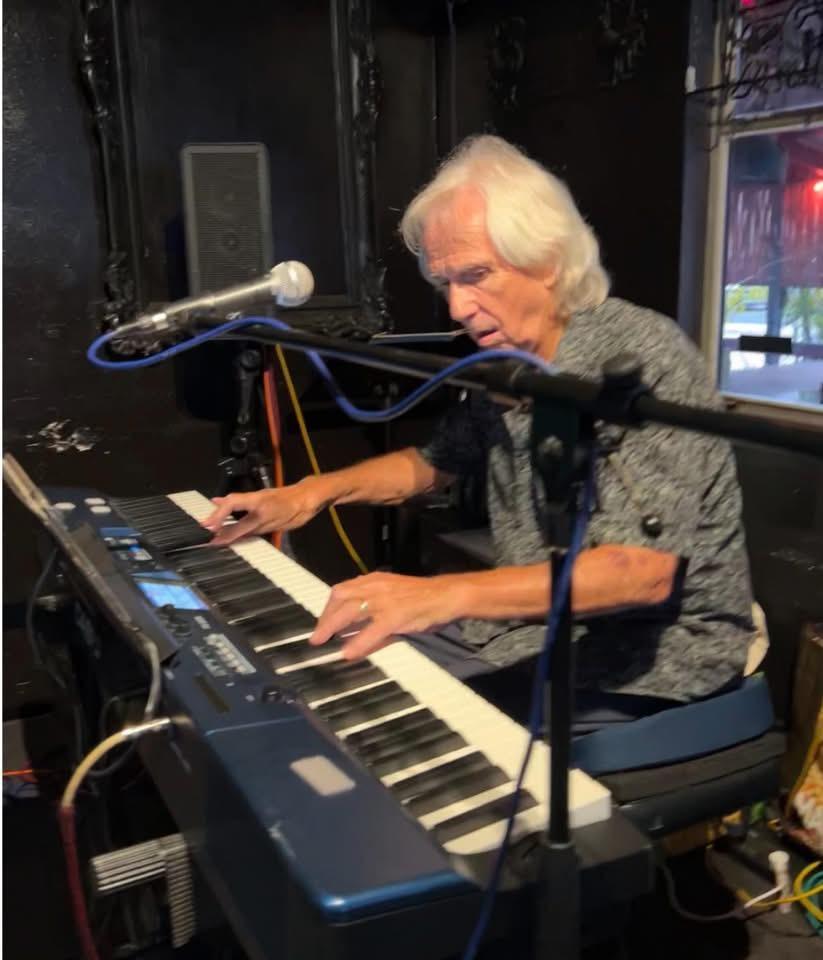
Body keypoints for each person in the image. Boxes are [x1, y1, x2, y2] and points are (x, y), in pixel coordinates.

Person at [202, 135, 755, 718]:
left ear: (548, 261)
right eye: (446, 284)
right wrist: (307, 494)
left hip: (657, 659)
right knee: (333, 668)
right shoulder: (512, 362)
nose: (457, 309)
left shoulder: (642, 358)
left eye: (476, 276)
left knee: (373, 712)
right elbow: (434, 461)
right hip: (532, 634)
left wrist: (441, 595)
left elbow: (640, 575)